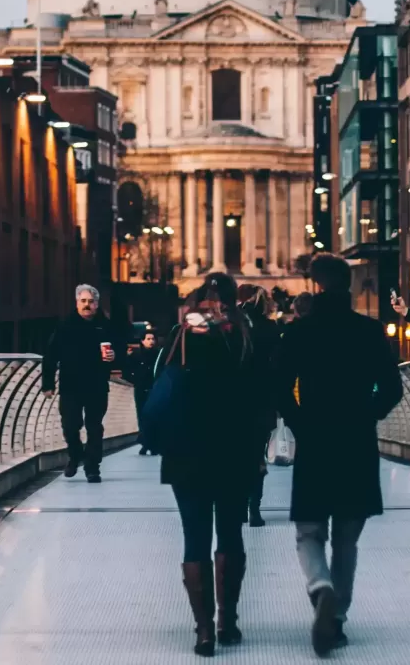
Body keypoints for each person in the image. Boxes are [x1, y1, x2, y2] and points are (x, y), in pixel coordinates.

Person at [276, 253, 402, 658]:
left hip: (315, 442)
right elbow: (393, 388)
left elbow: (278, 387)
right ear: (347, 285)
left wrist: (299, 422)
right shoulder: (369, 331)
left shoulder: (299, 331)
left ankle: (320, 588)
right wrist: (368, 413)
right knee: (347, 537)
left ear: (315, 286)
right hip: (356, 442)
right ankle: (339, 619)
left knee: (309, 531)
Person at [158, 272, 262, 657]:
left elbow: (160, 384)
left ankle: (203, 630)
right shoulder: (244, 337)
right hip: (234, 451)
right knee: (231, 534)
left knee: (194, 536)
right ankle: (228, 621)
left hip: (186, 451)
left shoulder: (181, 335)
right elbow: (262, 394)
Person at [42, 284, 120, 483]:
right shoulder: (65, 326)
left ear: (97, 304)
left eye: (91, 302)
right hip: (70, 385)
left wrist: (114, 357)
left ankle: (92, 467)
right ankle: (75, 455)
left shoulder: (107, 326)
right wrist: (48, 384)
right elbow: (50, 355)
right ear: (77, 303)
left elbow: (120, 351)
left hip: (97, 385)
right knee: (70, 425)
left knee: (94, 426)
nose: (87, 305)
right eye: (83, 301)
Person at [237, 283, 281, 527]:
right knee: (257, 456)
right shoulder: (271, 327)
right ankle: (255, 508)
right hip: (262, 403)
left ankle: (239, 506)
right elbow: (278, 366)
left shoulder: (231, 327)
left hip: (233, 404)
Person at [125, 328, 160, 455]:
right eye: (148, 339)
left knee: (153, 416)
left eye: (153, 339)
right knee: (141, 415)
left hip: (154, 388)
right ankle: (146, 443)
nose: (151, 341)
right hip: (140, 388)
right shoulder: (135, 355)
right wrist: (135, 380)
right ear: (142, 341)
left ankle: (151, 443)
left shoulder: (159, 355)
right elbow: (126, 371)